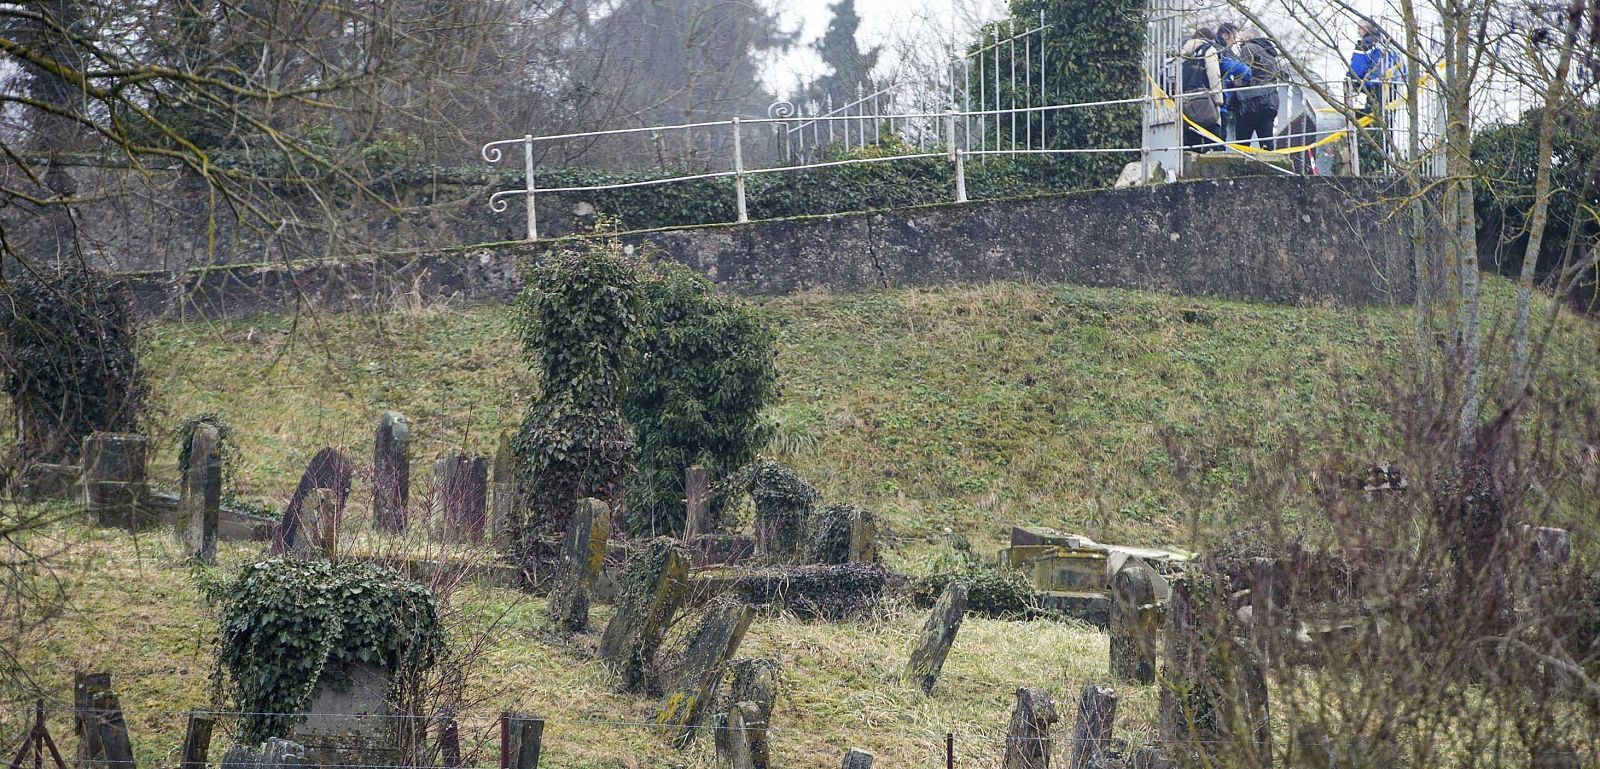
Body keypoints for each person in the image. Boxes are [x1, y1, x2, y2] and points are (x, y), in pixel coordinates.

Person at [1176, 27, 1249, 151]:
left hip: (1185, 101)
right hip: (1204, 100)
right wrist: (1218, 101)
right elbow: (1214, 75)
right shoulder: (1209, 50)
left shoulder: (1182, 52)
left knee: (1192, 142)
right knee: (1215, 139)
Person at [1234, 29, 1285, 148]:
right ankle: (1269, 165)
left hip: (1251, 101)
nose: (1240, 39)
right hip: (1270, 100)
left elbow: (1243, 74)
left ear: (1250, 36)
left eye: (1242, 36)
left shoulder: (1248, 48)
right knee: (1266, 143)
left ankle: (1240, 166)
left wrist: (1234, 84)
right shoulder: (1269, 51)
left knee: (1242, 143)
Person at [1348, 20, 1401, 118]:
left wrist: (1350, 78)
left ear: (1365, 29)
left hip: (1375, 85)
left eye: (1359, 28)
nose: (1358, 31)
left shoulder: (1366, 44)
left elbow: (1358, 66)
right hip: (1393, 85)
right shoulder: (1386, 43)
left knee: (1371, 116)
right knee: (1387, 117)